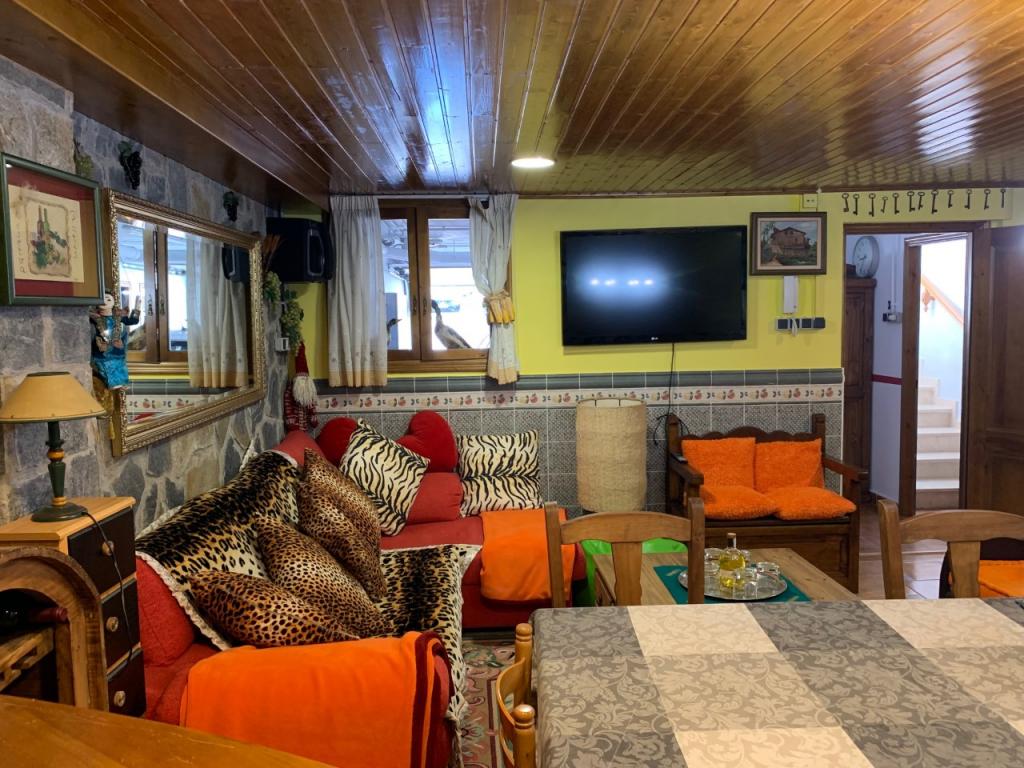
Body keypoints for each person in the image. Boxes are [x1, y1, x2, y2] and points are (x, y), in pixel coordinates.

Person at [90, 291, 141, 390]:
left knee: (119, 366)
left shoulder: (118, 317)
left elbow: (133, 321)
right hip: (102, 350)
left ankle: (122, 382)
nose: (105, 301)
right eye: (103, 298)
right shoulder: (94, 317)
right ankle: (112, 383)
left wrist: (137, 306)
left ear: (113, 302)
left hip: (117, 349)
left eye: (108, 299)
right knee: (105, 366)